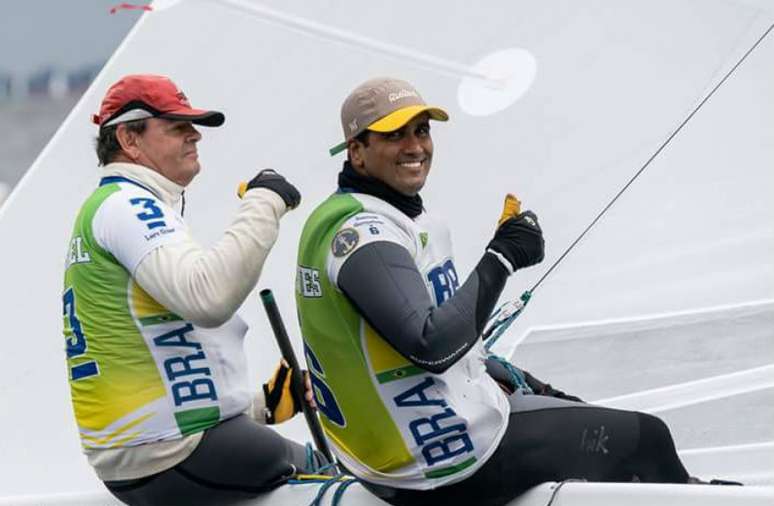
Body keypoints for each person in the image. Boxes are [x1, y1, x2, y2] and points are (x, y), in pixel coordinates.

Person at [295, 77, 701, 505]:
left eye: (421, 130)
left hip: (408, 450)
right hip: (438, 465)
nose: (415, 147)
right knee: (646, 439)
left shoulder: (386, 217)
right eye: (394, 135)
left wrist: (513, 378)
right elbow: (430, 345)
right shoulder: (362, 233)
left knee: (575, 410)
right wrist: (501, 258)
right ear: (357, 151)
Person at [62, 74, 325, 506]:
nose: (195, 135)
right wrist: (263, 202)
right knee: (339, 476)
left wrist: (261, 404)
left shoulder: (114, 206)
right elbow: (208, 298)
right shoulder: (127, 205)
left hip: (151, 452)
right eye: (177, 126)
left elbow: (160, 346)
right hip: (168, 453)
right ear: (129, 138)